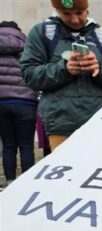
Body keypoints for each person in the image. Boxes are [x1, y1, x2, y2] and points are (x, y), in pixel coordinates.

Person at [20, 0, 102, 151]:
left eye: (79, 13)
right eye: (67, 14)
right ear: (58, 12)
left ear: (87, 10)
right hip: (61, 125)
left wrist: (100, 70)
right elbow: (30, 76)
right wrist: (64, 69)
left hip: (101, 125)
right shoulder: (42, 33)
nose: (75, 19)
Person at [0, 21, 38, 186]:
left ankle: (10, 182)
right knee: (26, 145)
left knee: (8, 144)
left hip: (1, 102)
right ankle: (27, 184)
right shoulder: (27, 45)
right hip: (26, 101)